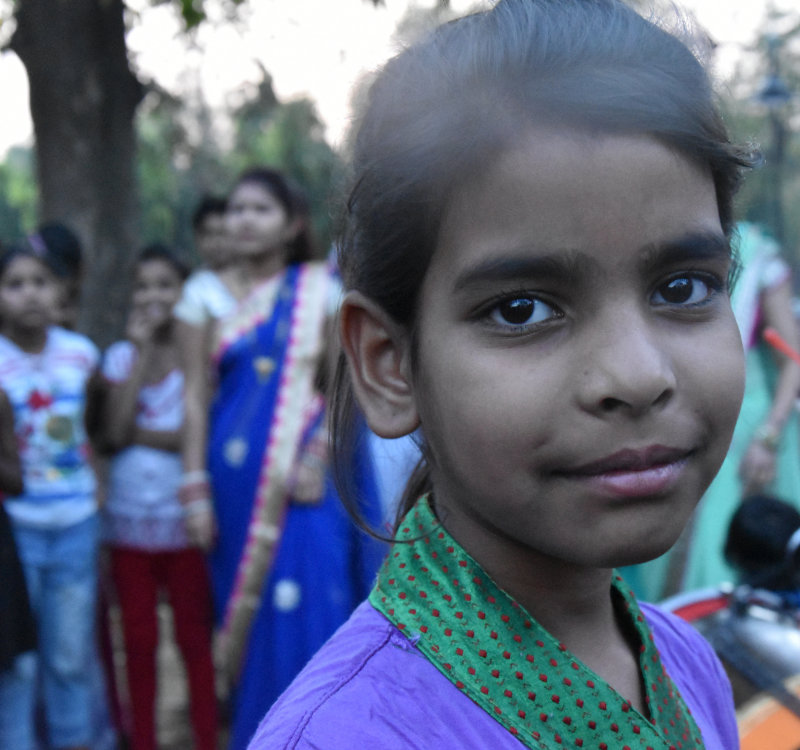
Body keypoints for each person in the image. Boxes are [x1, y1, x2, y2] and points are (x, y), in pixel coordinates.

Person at [248, 1, 752, 747]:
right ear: (389, 367)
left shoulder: (687, 664)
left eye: (683, 288)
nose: (639, 375)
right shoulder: (346, 736)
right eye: (522, 309)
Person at [176, 168, 382, 750]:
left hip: (303, 478)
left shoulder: (321, 290)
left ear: (292, 225)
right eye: (236, 208)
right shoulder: (202, 297)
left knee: (308, 597)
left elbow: (342, 391)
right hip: (231, 484)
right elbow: (194, 395)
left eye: (260, 209)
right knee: (244, 615)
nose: (243, 219)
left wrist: (318, 457)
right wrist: (192, 485)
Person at [627, 221, 800, 601]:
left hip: (745, 427)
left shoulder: (755, 253)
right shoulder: (654, 239)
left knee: (721, 551)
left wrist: (768, 438)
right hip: (673, 408)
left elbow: (794, 360)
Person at [100, 244, 217, 750]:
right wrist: (141, 350)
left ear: (184, 292)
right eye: (143, 286)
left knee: (194, 640)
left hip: (184, 519)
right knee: (140, 641)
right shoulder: (120, 357)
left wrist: (139, 437)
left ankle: (208, 738)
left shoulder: (201, 354)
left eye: (165, 285)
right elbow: (112, 430)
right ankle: (142, 739)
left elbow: (196, 432)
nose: (154, 296)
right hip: (128, 523)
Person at [0, 239, 101, 750]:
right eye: (15, 285)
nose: (30, 295)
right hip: (15, 529)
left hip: (76, 522)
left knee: (68, 655)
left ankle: (74, 740)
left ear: (60, 289)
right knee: (17, 660)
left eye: (40, 283)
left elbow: (98, 427)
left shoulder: (81, 355)